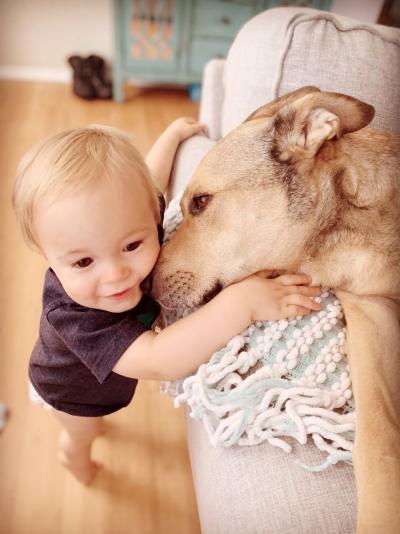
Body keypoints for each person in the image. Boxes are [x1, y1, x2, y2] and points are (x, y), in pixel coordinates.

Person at [12, 118, 321, 485]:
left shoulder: (129, 220)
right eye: (83, 262)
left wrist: (173, 137)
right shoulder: (75, 317)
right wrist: (244, 304)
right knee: (86, 433)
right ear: (46, 255)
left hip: (110, 376)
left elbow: (150, 182)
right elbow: (159, 359)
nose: (116, 274)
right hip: (68, 390)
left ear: (152, 218)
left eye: (131, 246)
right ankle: (72, 457)